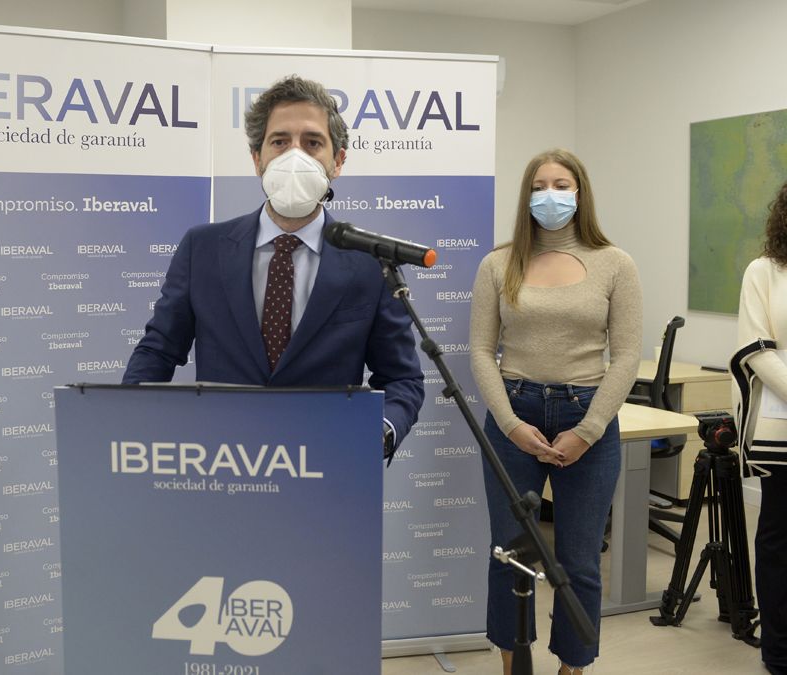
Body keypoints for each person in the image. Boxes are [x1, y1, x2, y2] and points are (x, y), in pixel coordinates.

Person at [121, 75, 424, 450]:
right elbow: (158, 350)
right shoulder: (204, 248)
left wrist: (380, 431)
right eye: (279, 142)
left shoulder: (370, 263)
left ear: (338, 160)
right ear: (257, 158)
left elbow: (401, 378)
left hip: (329, 464)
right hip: (217, 464)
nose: (294, 155)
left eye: (312, 143)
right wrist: (128, 424)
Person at [468, 148, 642, 674]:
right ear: (527, 197)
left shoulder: (614, 263)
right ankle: (513, 664)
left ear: (579, 193)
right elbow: (480, 350)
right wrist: (510, 423)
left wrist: (588, 431)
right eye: (539, 185)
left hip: (586, 417)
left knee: (580, 563)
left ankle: (573, 666)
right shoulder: (499, 263)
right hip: (513, 415)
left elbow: (628, 353)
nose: (550, 194)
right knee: (509, 556)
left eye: (561, 184)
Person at [733, 180, 787, 675]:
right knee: (779, 539)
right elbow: (757, 349)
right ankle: (780, 652)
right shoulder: (764, 271)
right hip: (781, 430)